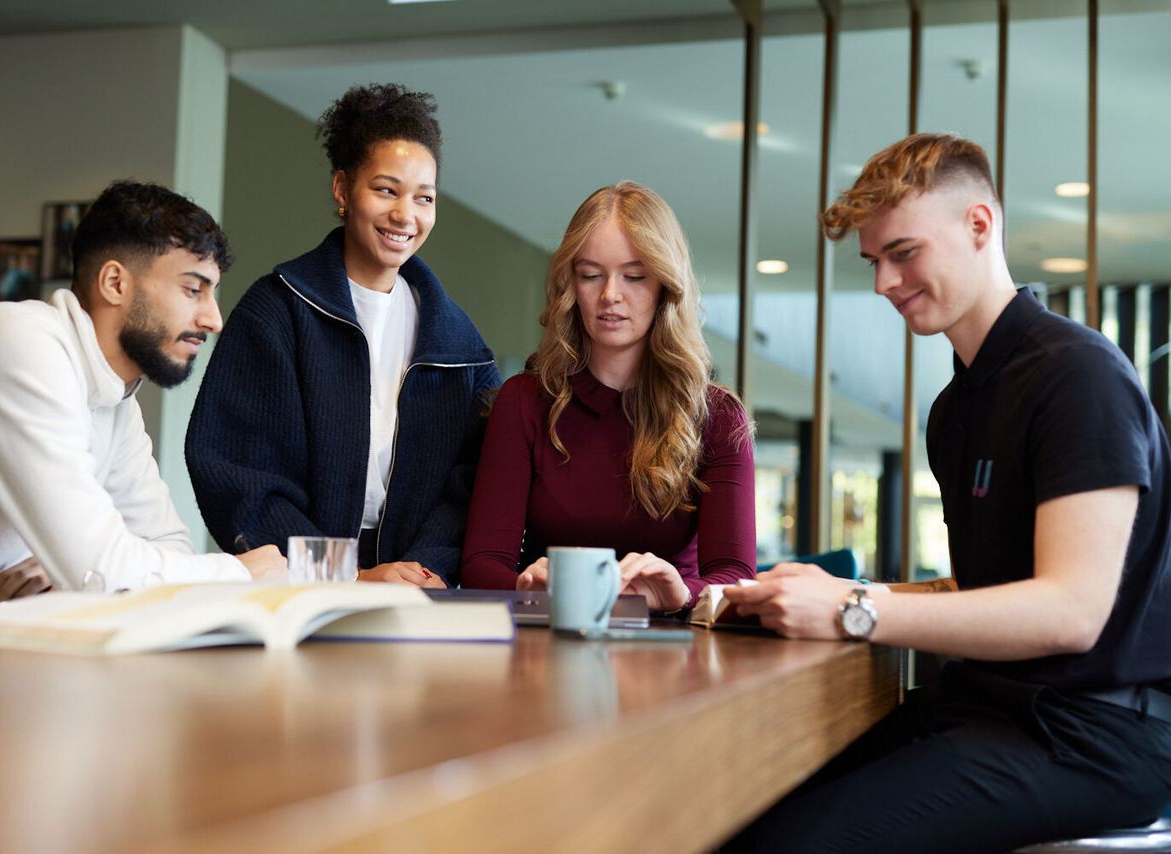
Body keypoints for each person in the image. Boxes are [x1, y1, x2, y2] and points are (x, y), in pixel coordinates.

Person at [724, 134, 1171, 852]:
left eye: (904, 253)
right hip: (988, 711)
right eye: (874, 262)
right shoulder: (955, 408)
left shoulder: (1077, 376)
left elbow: (1070, 611)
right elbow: (988, 587)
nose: (883, 284)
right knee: (734, 798)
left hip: (1095, 736)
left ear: (980, 225)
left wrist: (854, 609)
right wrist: (846, 589)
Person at [0, 180, 285, 601]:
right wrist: (239, 573)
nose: (213, 319)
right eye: (193, 290)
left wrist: (67, 567)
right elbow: (105, 570)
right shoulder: (19, 343)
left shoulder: (114, 397)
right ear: (115, 282)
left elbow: (166, 543)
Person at [186, 83, 499, 589]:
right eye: (386, 189)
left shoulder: (460, 347)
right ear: (342, 189)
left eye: (424, 197)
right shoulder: (278, 311)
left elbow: (474, 484)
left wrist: (425, 570)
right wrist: (348, 577)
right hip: (297, 590)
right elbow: (238, 475)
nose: (405, 215)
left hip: (417, 591)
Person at [461, 182, 755, 612]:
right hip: (547, 640)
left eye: (634, 276)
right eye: (591, 275)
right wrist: (524, 585)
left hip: (674, 649)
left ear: (665, 287)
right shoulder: (523, 401)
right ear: (570, 284)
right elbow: (482, 563)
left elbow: (736, 576)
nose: (609, 295)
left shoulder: (718, 416)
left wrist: (681, 593)